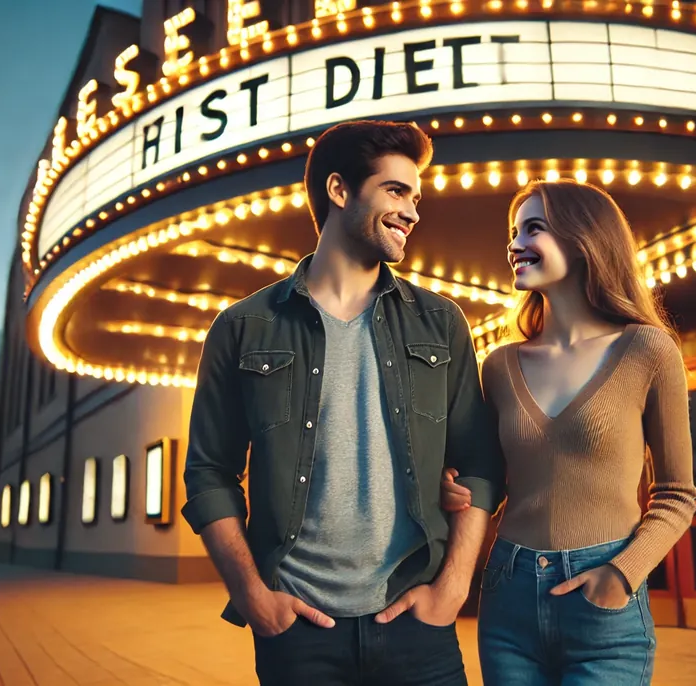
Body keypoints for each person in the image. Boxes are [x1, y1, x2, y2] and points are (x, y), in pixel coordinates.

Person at [180, 120, 506, 686]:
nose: (413, 212)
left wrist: (452, 591)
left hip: (417, 624)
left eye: (417, 198)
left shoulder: (440, 321)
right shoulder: (243, 328)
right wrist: (254, 597)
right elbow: (210, 473)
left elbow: (479, 464)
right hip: (299, 632)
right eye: (396, 191)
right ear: (339, 190)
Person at [441, 179, 696, 685]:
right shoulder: (497, 365)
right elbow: (490, 481)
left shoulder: (648, 350)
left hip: (605, 603)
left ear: (584, 239)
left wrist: (622, 575)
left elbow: (677, 495)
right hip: (508, 593)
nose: (515, 245)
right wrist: (461, 489)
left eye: (532, 229)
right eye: (513, 233)